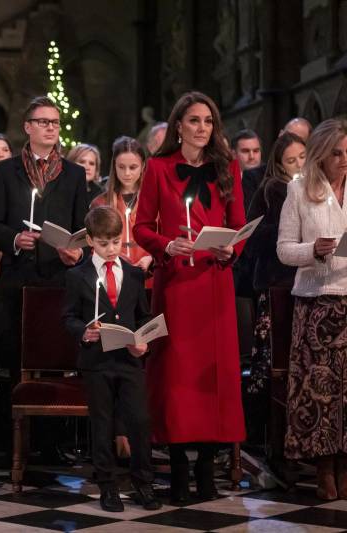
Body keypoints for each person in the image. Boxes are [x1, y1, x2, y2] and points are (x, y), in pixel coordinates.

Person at [133, 91, 246, 504]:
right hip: (177, 284)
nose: (202, 128)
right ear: (178, 125)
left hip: (214, 284)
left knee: (213, 378)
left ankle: (207, 469)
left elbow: (237, 225)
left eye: (208, 121)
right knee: (177, 377)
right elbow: (142, 227)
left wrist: (231, 248)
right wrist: (166, 246)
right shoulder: (159, 168)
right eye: (194, 120)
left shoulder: (227, 166)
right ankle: (179, 468)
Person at [0, 96, 88, 461]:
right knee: (17, 357)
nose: (50, 128)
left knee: (56, 359)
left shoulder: (74, 175)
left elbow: (82, 228)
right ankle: (15, 444)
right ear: (27, 127)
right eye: (43, 122)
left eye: (55, 123)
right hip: (20, 278)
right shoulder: (5, 171)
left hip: (59, 279)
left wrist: (75, 249)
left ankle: (52, 441)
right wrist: (15, 238)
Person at [63, 206, 160, 512]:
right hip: (97, 361)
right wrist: (84, 332)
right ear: (90, 241)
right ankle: (108, 487)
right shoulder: (77, 275)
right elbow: (68, 317)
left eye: (116, 242)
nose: (110, 249)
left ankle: (143, 483)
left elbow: (143, 316)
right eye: (103, 243)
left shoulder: (132, 273)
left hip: (129, 361)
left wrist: (143, 342)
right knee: (102, 423)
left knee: (140, 421)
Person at [277, 118, 347, 501]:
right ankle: (323, 469)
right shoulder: (300, 189)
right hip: (317, 302)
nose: (343, 160)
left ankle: (344, 465)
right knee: (320, 392)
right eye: (337, 153)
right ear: (320, 154)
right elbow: (284, 249)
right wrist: (313, 249)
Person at [242, 132, 305, 446]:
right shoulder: (272, 189)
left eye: (302, 158)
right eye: (290, 160)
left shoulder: (315, 188)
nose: (297, 165)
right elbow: (250, 239)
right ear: (279, 164)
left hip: (308, 285)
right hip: (278, 285)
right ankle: (269, 438)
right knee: (274, 366)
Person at [90, 137, 152, 273]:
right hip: (113, 275)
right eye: (121, 167)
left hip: (149, 275)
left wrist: (150, 258)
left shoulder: (154, 200)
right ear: (114, 166)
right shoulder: (100, 203)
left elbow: (165, 238)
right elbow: (93, 244)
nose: (127, 173)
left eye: (133, 167)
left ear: (142, 166)